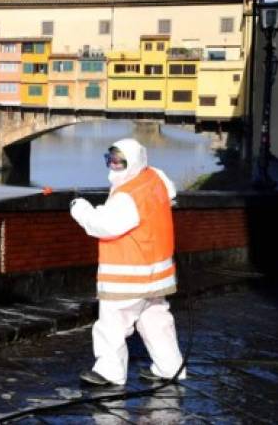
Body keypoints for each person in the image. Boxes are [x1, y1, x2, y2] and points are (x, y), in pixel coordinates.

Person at [69, 138, 186, 386]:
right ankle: (170, 368)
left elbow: (104, 225)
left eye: (118, 161)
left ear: (132, 162)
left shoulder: (129, 195)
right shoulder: (154, 177)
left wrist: (80, 208)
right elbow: (170, 194)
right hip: (158, 272)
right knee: (156, 321)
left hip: (129, 275)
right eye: (109, 159)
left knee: (112, 324)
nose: (113, 165)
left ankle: (110, 371)